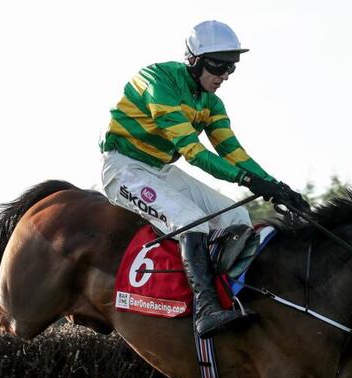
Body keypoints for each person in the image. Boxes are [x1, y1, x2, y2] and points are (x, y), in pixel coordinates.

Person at [100, 20, 308, 338]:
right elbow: (193, 152)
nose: (225, 75)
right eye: (218, 66)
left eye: (231, 68)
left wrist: (276, 187)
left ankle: (230, 298)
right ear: (194, 60)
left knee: (238, 217)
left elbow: (233, 152)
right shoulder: (158, 80)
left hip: (161, 170)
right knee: (191, 221)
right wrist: (247, 180)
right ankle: (206, 310)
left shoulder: (211, 103)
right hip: (123, 168)